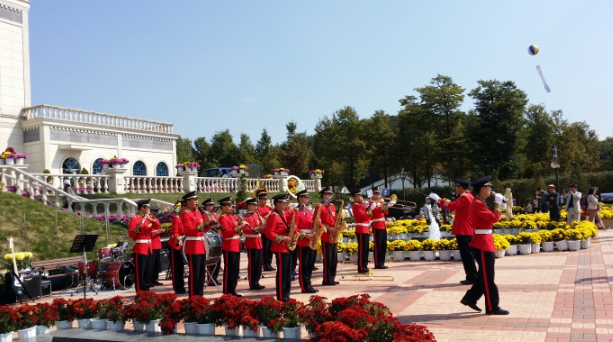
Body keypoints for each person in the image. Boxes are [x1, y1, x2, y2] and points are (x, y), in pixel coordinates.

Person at [460, 176, 508, 315]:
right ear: (483, 189)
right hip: (481, 242)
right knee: (488, 277)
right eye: (489, 187)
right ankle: (492, 307)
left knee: (484, 275)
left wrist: (500, 205)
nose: (491, 190)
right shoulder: (477, 203)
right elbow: (493, 218)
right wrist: (498, 205)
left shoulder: (480, 202)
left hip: (485, 240)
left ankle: (470, 298)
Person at [438, 178, 477, 285]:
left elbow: (452, 206)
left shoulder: (465, 197)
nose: (456, 189)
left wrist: (439, 200)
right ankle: (471, 276)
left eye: (457, 186)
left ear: (460, 187)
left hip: (464, 230)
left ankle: (472, 277)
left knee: (467, 255)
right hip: (465, 229)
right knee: (467, 255)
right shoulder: (467, 196)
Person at [265, 193, 292, 302]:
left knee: (287, 271)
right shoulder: (272, 216)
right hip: (280, 247)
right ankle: (281, 295)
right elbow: (269, 233)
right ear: (277, 203)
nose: (286, 204)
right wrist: (282, 238)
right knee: (282, 272)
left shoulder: (283, 214)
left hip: (287, 246)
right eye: (284, 202)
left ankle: (287, 293)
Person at [181, 191, 207, 297]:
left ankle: (199, 295)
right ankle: (193, 296)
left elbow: (203, 230)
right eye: (194, 199)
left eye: (197, 199)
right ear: (188, 201)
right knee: (194, 274)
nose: (197, 201)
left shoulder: (198, 212)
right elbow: (189, 230)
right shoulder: (185, 213)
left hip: (201, 245)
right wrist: (204, 225)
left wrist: (209, 224)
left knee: (201, 274)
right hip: (193, 246)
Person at [218, 196, 244, 297]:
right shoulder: (222, 217)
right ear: (223, 207)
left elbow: (238, 232)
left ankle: (233, 289)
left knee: (235, 269)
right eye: (229, 205)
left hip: (236, 245)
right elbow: (227, 232)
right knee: (230, 269)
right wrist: (239, 227)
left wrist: (241, 225)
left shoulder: (233, 216)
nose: (231, 207)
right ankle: (227, 291)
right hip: (229, 245)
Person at [128, 199, 156, 292]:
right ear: (142, 208)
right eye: (147, 207)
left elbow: (157, 227)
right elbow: (132, 234)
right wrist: (139, 225)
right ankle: (140, 293)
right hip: (141, 248)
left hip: (149, 247)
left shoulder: (148, 218)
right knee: (140, 272)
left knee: (149, 271)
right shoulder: (134, 218)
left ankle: (146, 291)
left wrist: (151, 220)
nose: (149, 209)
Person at [293, 190, 318, 293]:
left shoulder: (308, 211)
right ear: (300, 198)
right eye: (306, 197)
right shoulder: (296, 211)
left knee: (310, 264)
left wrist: (318, 224)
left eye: (308, 198)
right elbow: (294, 228)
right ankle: (304, 286)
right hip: (303, 241)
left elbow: (311, 224)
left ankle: (308, 284)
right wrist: (305, 235)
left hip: (311, 240)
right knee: (304, 265)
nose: (308, 199)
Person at [315, 186, 339, 286]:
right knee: (328, 258)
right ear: (323, 196)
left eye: (330, 195)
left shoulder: (332, 206)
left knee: (334, 258)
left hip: (334, 235)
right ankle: (326, 279)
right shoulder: (319, 207)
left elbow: (333, 218)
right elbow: (316, 221)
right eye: (327, 195)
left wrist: (339, 218)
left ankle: (332, 277)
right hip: (325, 235)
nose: (329, 196)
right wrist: (328, 228)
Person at [242, 197, 265, 290]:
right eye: (254, 205)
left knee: (259, 263)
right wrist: (260, 228)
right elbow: (246, 230)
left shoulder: (257, 215)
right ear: (249, 206)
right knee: (253, 263)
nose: (256, 207)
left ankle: (257, 281)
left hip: (259, 241)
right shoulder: (246, 216)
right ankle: (252, 283)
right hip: (251, 242)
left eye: (256, 205)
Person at [351, 191, 373, 274]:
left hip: (365, 228)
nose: (361, 197)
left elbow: (369, 217)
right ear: (355, 197)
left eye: (361, 195)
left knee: (366, 249)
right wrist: (368, 208)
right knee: (362, 249)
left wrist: (369, 208)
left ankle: (365, 265)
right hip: (360, 228)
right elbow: (362, 216)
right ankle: (361, 267)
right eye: (359, 196)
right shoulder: (356, 206)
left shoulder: (362, 205)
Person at [202, 198, 222, 286]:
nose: (212, 206)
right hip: (208, 237)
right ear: (206, 206)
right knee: (210, 260)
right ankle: (210, 279)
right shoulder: (203, 214)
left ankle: (215, 277)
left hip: (216, 237)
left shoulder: (214, 214)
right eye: (210, 205)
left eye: (213, 205)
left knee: (217, 259)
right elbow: (204, 225)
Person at [256, 189, 275, 272]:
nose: (265, 200)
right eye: (263, 199)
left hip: (270, 230)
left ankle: (269, 263)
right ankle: (265, 264)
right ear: (260, 200)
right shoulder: (258, 208)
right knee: (265, 249)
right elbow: (259, 219)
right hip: (263, 231)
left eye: (266, 199)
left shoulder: (269, 208)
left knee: (270, 248)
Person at [170, 200, 186, 294]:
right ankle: (178, 287)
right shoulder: (177, 218)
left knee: (182, 267)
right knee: (177, 267)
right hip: (176, 245)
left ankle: (182, 284)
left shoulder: (187, 217)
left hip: (185, 244)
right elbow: (175, 232)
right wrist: (178, 239)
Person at [370, 188, 389, 269]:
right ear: (372, 195)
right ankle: (377, 263)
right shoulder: (371, 203)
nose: (378, 195)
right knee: (378, 245)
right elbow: (376, 212)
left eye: (378, 194)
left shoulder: (380, 202)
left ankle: (382, 262)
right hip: (376, 224)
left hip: (383, 224)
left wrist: (386, 206)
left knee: (383, 245)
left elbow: (386, 213)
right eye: (376, 194)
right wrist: (380, 205)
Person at [149, 206, 164, 287]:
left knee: (156, 263)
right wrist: (159, 231)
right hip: (152, 243)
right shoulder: (150, 220)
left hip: (157, 242)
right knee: (152, 263)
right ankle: (150, 279)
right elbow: (149, 231)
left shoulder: (156, 219)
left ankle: (155, 278)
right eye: (155, 212)